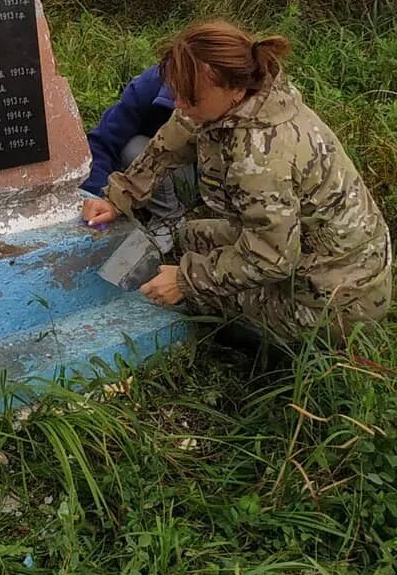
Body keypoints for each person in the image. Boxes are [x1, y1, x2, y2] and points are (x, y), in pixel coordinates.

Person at [85, 21, 392, 344]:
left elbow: (271, 257)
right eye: (178, 93)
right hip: (305, 245)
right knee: (191, 237)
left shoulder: (261, 157)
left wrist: (187, 281)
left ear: (234, 89)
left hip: (342, 295)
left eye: (190, 98)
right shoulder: (223, 98)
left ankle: (263, 358)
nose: (180, 105)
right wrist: (118, 196)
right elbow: (170, 142)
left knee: (201, 296)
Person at [80, 65, 195, 251]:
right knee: (135, 148)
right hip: (177, 169)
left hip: (216, 173)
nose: (180, 106)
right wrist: (102, 198)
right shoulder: (148, 87)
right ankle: (169, 217)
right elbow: (103, 142)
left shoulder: (248, 122)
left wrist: (183, 277)